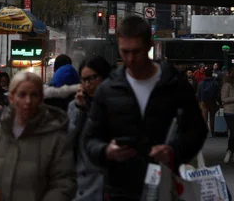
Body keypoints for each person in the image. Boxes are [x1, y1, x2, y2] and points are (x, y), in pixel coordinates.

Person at [82, 15, 207, 201]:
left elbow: (197, 130)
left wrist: (173, 151)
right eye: (124, 52)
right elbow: (90, 139)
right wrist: (106, 151)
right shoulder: (108, 90)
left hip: (167, 186)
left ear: (149, 45)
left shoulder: (174, 84)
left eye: (136, 52)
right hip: (121, 190)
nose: (130, 59)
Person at [0, 71, 75, 201]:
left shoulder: (56, 137)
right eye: (22, 95)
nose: (28, 101)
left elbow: (64, 183)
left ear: (41, 98)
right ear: (11, 98)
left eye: (34, 95)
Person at [68, 56, 112, 201]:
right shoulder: (75, 106)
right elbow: (67, 140)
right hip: (85, 184)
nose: (87, 85)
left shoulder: (116, 103)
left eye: (91, 79)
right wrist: (79, 110)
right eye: (83, 80)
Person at [196, 67, 219, 137]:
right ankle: (212, 132)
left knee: (204, 118)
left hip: (204, 102)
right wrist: (219, 102)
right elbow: (217, 94)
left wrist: (199, 101)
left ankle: (205, 133)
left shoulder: (201, 83)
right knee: (212, 118)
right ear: (211, 74)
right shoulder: (215, 83)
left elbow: (198, 93)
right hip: (212, 102)